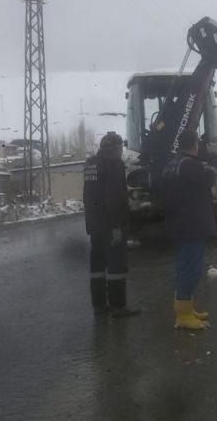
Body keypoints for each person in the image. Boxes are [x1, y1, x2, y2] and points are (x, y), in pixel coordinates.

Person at [162, 132, 217, 330]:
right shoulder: (187, 165)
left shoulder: (173, 164)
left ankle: (186, 307)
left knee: (183, 267)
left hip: (180, 223)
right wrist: (213, 161)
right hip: (191, 224)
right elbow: (206, 180)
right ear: (195, 144)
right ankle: (184, 316)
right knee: (191, 270)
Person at [83, 132, 140, 317]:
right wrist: (116, 226)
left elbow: (89, 195)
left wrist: (90, 223)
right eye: (120, 148)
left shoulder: (90, 163)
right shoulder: (114, 163)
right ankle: (118, 306)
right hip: (111, 224)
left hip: (95, 224)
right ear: (116, 148)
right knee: (116, 264)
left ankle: (99, 305)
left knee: (97, 265)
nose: (121, 151)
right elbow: (114, 196)